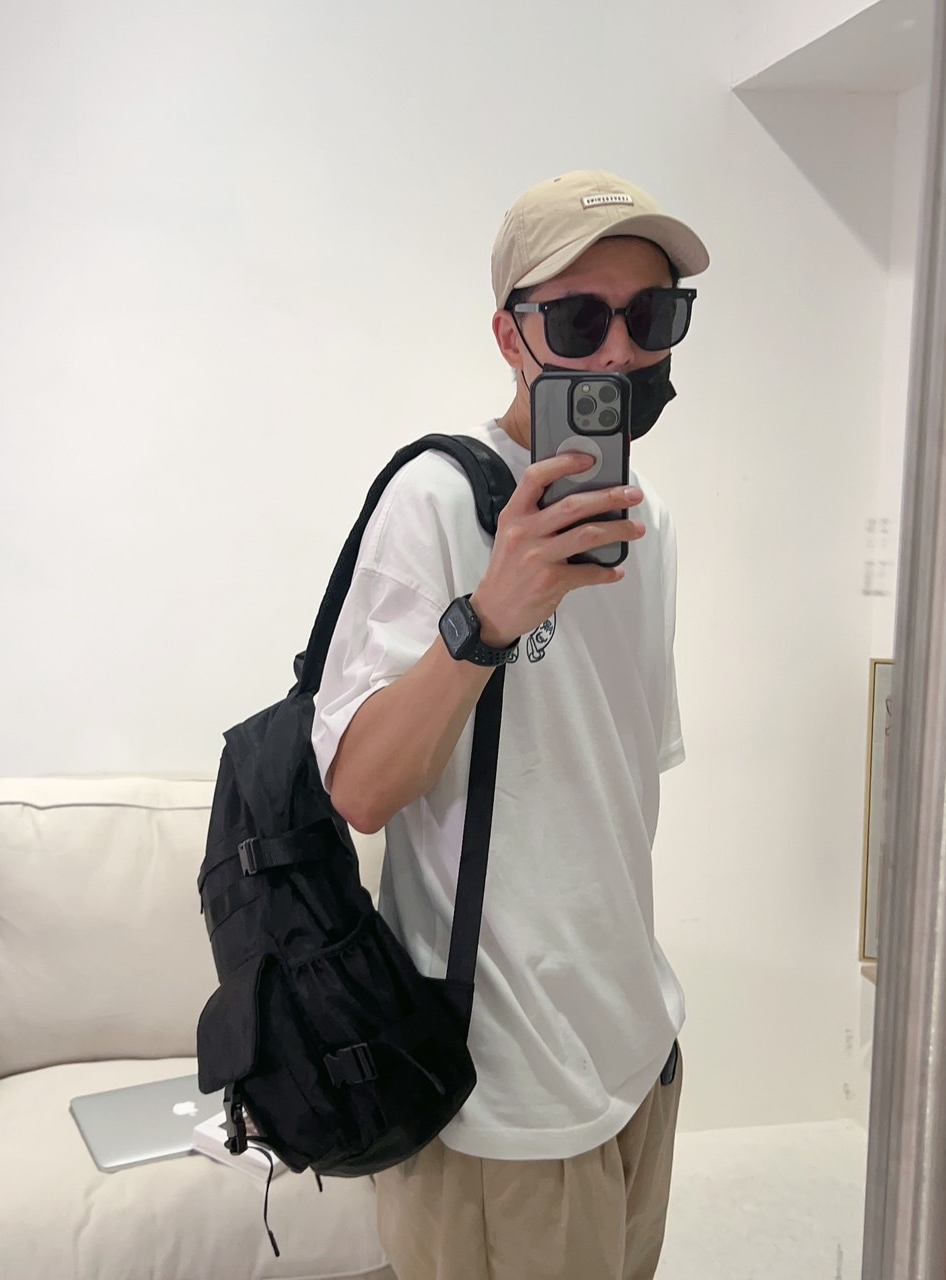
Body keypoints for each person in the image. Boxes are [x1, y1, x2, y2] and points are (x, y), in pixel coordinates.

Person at [309, 170, 710, 1280]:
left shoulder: (648, 524)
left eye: (652, 314)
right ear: (509, 335)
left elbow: (614, 795)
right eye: (579, 319)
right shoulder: (437, 503)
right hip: (504, 1090)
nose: (621, 351)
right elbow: (359, 791)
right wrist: (487, 620)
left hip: (636, 1049)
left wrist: (650, 1031)